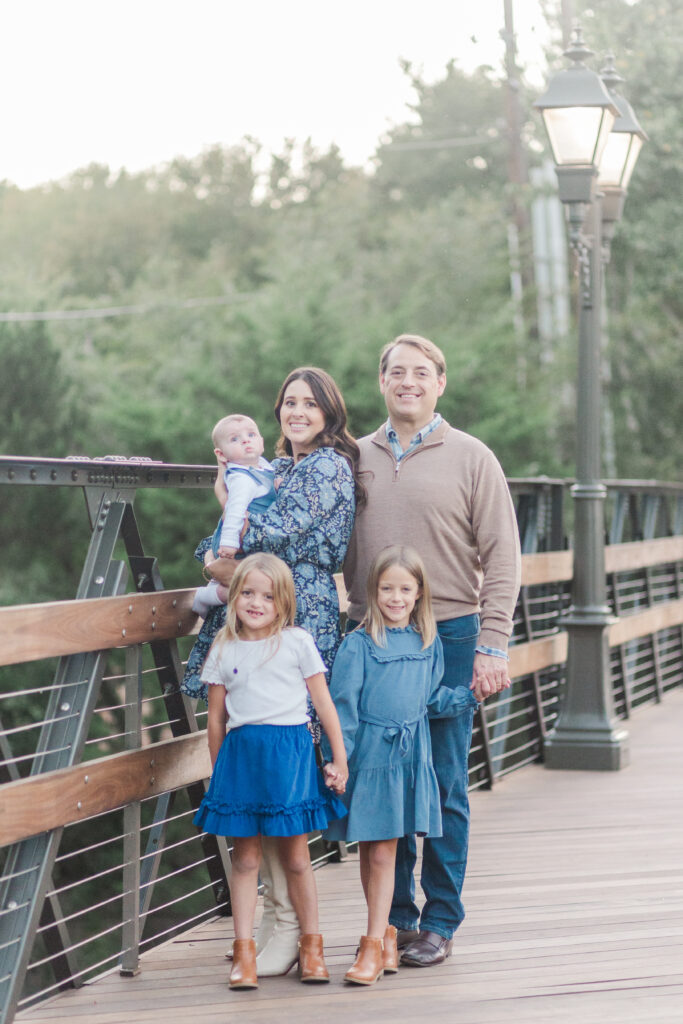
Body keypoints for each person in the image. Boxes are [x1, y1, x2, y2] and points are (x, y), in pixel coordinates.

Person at [343, 334, 521, 968]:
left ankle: (440, 920)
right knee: (384, 780)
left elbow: (502, 558)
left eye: (421, 372)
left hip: (450, 634)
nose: (408, 381)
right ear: (381, 381)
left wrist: (493, 644)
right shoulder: (354, 456)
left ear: (440, 383)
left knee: (443, 785)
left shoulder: (473, 457)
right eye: (397, 371)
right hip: (374, 638)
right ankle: (392, 921)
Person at [182, 367, 362, 975]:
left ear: (329, 412)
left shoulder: (330, 466)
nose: (297, 413)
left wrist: (224, 550)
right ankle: (272, 918)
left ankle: (289, 926)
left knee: (295, 748)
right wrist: (217, 553)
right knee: (249, 732)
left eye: (310, 404)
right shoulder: (277, 467)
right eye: (288, 402)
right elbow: (223, 544)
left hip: (299, 608)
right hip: (257, 607)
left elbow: (272, 533)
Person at [323, 545, 479, 986]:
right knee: (372, 848)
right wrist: (338, 760)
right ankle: (385, 933)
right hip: (371, 760)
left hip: (410, 761)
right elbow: (343, 708)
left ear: (418, 594)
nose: (395, 597)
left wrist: (471, 695)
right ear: (373, 592)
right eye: (387, 588)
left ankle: (376, 943)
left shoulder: (428, 644)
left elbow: (431, 700)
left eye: (405, 589)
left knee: (387, 848)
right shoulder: (358, 645)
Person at [193, 553, 349, 990]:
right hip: (242, 759)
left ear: (283, 602)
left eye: (268, 595)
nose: (256, 603)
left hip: (290, 757)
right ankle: (243, 951)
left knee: (297, 857)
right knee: (244, 858)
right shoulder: (223, 647)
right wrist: (219, 773)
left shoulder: (297, 642)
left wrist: (339, 758)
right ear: (234, 597)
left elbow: (323, 705)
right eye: (247, 593)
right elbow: (215, 721)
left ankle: (312, 949)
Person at [192, 413, 277, 618]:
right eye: (235, 439)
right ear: (222, 455)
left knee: (253, 586)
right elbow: (234, 511)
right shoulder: (241, 479)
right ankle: (207, 596)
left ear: (262, 443)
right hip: (234, 543)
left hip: (249, 539)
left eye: (251, 435)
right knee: (245, 588)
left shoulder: (263, 467)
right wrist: (229, 543)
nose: (246, 440)